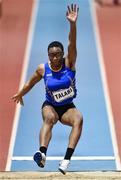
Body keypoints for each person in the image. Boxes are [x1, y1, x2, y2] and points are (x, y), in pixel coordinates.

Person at [12, 4, 83, 174]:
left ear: (62, 54)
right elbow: (31, 82)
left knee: (78, 119)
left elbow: (72, 43)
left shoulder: (69, 63)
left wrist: (72, 24)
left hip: (67, 107)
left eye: (58, 54)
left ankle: (66, 160)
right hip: (50, 104)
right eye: (51, 54)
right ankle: (42, 153)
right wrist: (21, 93)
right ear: (48, 55)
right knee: (49, 119)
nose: (55, 57)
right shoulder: (43, 69)